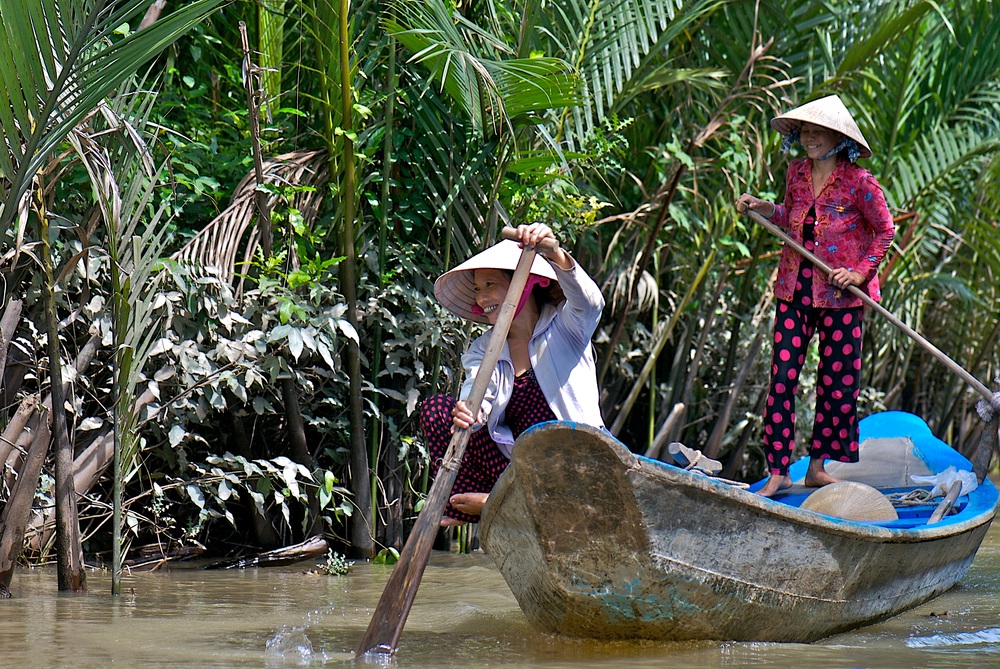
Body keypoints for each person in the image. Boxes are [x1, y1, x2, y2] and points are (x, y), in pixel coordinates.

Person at [736, 94, 895, 497]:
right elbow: (790, 217)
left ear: (837, 138)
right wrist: (762, 208)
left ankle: (818, 467)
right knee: (783, 378)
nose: (809, 138)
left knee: (837, 382)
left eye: (817, 131)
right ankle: (779, 470)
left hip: (841, 296)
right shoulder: (796, 173)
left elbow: (885, 231)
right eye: (805, 131)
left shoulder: (861, 182)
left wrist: (859, 272)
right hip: (795, 289)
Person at [420, 223, 606, 525]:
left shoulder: (566, 327)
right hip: (519, 471)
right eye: (478, 289)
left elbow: (590, 303)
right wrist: (471, 412)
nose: (482, 298)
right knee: (437, 410)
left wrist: (555, 253)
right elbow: (478, 391)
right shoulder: (484, 348)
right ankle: (494, 500)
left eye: (490, 285)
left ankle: (497, 503)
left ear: (527, 283)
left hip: (574, 464)